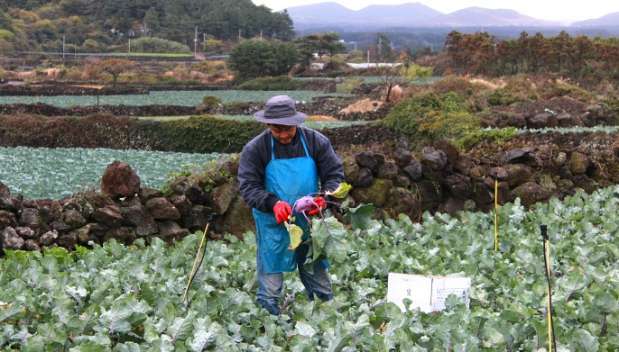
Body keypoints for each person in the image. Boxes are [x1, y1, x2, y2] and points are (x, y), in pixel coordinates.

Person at [238, 95, 344, 315]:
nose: (284, 135)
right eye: (278, 130)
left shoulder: (317, 142)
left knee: (319, 277)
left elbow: (334, 175)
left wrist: (324, 198)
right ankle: (268, 321)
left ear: (297, 123)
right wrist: (272, 203)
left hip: (309, 221)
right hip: (273, 223)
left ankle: (325, 317)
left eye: (289, 129)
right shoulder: (256, 149)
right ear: (268, 126)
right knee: (271, 283)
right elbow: (248, 186)